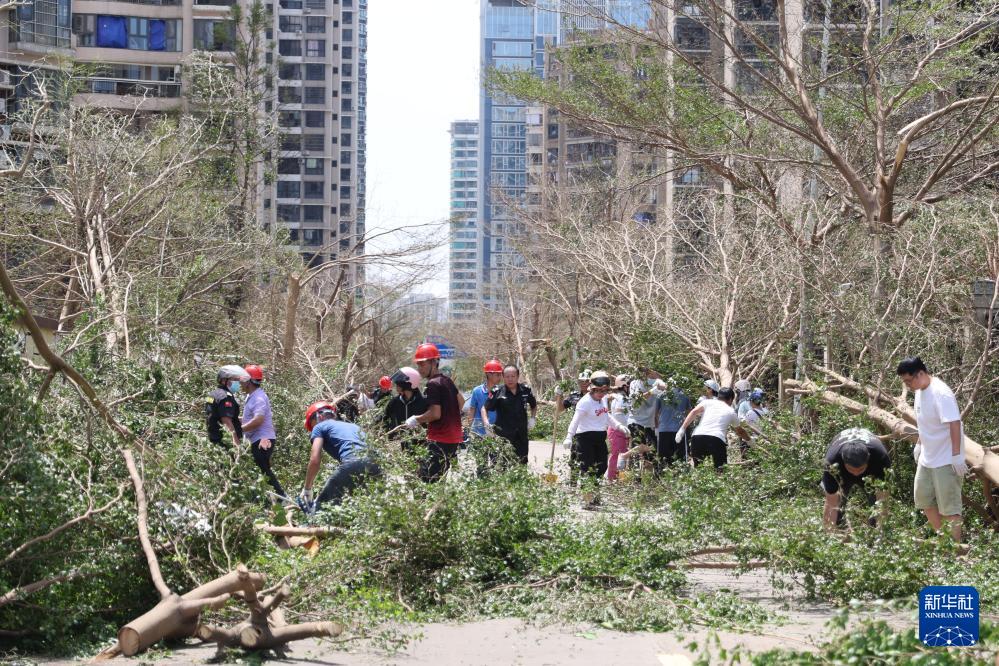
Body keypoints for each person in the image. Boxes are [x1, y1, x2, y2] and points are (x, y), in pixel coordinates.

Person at [897, 356, 966, 541]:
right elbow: (924, 422)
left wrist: (957, 455)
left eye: (908, 381)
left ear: (920, 373)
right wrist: (920, 443)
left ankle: (955, 551)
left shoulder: (940, 392)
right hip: (927, 458)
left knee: (949, 508)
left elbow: (954, 424)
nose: (908, 385)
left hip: (946, 459)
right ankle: (944, 542)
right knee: (924, 500)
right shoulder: (920, 391)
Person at [300, 401, 382, 514]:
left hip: (353, 461)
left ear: (318, 417)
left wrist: (307, 489)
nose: (312, 428)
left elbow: (314, 460)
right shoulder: (353, 425)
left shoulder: (319, 427)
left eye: (312, 424)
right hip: (378, 463)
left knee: (323, 507)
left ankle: (312, 525)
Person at [403, 343, 465, 482]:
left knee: (426, 482)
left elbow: (435, 414)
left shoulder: (432, 384)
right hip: (453, 440)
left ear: (434, 362)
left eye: (423, 364)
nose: (420, 369)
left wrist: (416, 419)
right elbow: (461, 402)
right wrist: (449, 416)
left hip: (440, 439)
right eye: (418, 365)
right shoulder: (447, 380)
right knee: (438, 480)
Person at [563, 371, 624, 506]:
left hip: (600, 438)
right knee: (587, 468)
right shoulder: (584, 402)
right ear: (592, 388)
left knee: (602, 466)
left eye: (604, 391)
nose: (601, 394)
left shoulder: (602, 400)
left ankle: (594, 494)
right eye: (599, 391)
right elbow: (575, 420)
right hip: (584, 439)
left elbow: (606, 416)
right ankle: (587, 499)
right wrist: (569, 436)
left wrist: (618, 425)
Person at [821, 427, 891, 529]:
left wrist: (882, 532)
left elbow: (882, 500)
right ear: (843, 461)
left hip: (871, 474)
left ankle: (873, 535)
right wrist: (828, 535)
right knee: (837, 508)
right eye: (851, 469)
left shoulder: (880, 458)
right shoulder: (832, 462)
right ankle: (840, 532)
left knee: (875, 506)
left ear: (868, 459)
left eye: (860, 469)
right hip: (842, 473)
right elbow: (831, 503)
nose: (856, 473)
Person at [239, 364, 287, 500]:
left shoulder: (258, 397)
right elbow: (249, 418)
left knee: (263, 470)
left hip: (262, 439)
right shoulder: (251, 396)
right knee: (261, 469)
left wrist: (239, 429)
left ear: (249, 381)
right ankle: (271, 498)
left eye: (243, 380)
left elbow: (258, 419)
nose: (240, 383)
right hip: (258, 438)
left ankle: (281, 497)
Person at [676, 387, 750, 469]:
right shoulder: (731, 411)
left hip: (697, 437)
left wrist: (682, 429)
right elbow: (740, 432)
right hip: (716, 439)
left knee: (699, 468)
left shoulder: (707, 402)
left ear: (719, 396)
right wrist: (750, 441)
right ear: (730, 399)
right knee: (720, 469)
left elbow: (693, 412)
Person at [484, 365, 538, 465]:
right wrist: (486, 424)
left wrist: (533, 418)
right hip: (503, 436)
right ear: (503, 377)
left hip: (521, 436)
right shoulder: (497, 391)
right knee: (501, 465)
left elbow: (534, 406)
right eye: (507, 376)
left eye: (513, 376)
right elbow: (484, 408)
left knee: (522, 463)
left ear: (517, 377)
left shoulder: (525, 390)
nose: (510, 379)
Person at [206, 365, 248, 449]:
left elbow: (216, 415)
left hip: (214, 439)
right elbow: (226, 421)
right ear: (224, 380)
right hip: (225, 443)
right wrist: (236, 443)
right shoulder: (225, 397)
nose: (238, 383)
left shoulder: (213, 394)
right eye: (235, 380)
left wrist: (239, 419)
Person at [655, 381, 692, 471]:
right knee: (680, 457)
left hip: (663, 430)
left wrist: (656, 427)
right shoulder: (684, 396)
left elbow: (656, 413)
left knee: (663, 457)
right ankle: (680, 477)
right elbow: (689, 413)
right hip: (679, 431)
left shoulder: (661, 395)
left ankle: (662, 477)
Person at [383, 367, 427, 435]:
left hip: (420, 444)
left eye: (398, 384)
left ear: (407, 384)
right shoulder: (394, 402)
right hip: (400, 443)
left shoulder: (424, 403)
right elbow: (384, 418)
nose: (396, 387)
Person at [628, 373, 662, 454]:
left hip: (650, 423)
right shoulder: (635, 383)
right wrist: (651, 392)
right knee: (639, 449)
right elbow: (636, 399)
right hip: (636, 420)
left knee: (653, 452)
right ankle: (625, 457)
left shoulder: (657, 382)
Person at [468, 359, 503, 438]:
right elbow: (472, 410)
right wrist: (469, 429)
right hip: (479, 433)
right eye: (497, 375)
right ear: (488, 374)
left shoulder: (502, 391)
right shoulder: (477, 391)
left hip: (497, 433)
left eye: (500, 374)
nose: (500, 377)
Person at [606, 375, 632, 480]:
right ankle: (612, 479)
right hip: (618, 430)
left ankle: (620, 478)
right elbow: (619, 416)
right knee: (617, 456)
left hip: (623, 431)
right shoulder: (620, 399)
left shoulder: (624, 398)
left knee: (623, 455)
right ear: (625, 386)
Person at [739, 389, 769, 457]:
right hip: (765, 440)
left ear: (752, 401)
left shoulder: (750, 413)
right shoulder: (766, 411)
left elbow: (745, 426)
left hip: (754, 441)